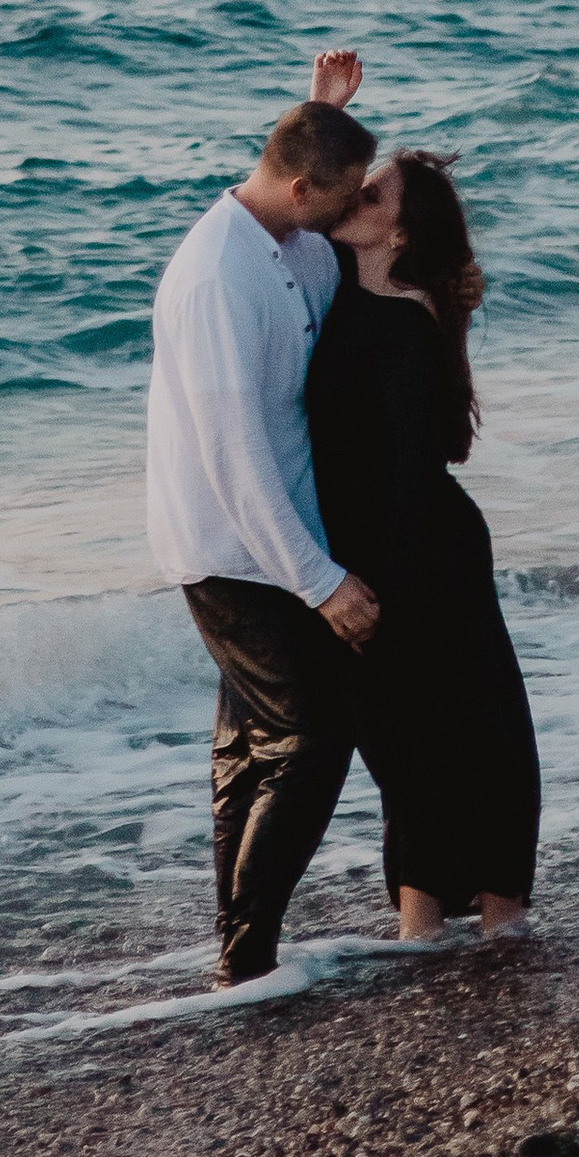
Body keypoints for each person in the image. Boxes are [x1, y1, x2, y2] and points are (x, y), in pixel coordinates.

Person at [145, 51, 380, 986]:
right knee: (313, 737)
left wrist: (321, 112)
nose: (357, 207)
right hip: (228, 545)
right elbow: (231, 454)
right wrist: (321, 584)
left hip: (277, 533)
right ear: (300, 191)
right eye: (345, 194)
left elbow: (305, 165)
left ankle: (241, 957)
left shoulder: (291, 236)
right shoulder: (216, 278)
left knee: (252, 747)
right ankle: (247, 955)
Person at [306, 147, 539, 940]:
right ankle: (425, 924)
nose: (353, 197)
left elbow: (421, 461)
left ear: (400, 233)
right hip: (383, 544)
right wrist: (321, 105)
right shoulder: (346, 282)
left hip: (422, 551)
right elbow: (290, 190)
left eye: (372, 194)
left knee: (469, 727)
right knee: (404, 740)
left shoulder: (404, 319)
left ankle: (496, 916)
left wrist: (376, 581)